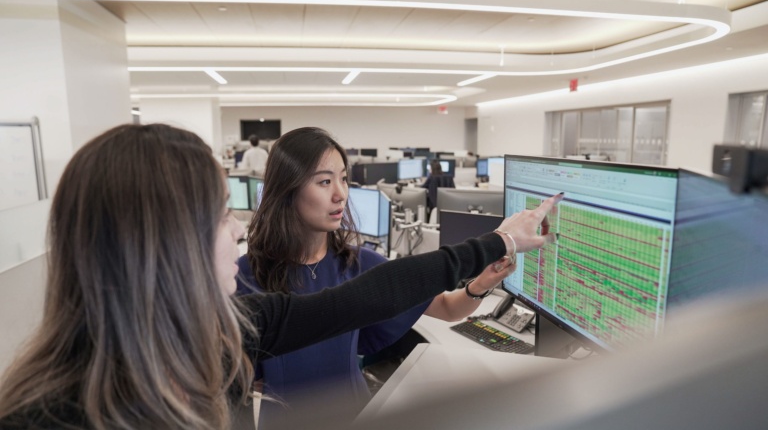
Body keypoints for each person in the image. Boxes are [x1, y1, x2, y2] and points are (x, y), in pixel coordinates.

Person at [0, 123, 562, 429]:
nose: (238, 230)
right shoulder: (52, 416)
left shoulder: (223, 332)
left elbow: (361, 300)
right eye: (221, 216)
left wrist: (499, 245)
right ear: (164, 249)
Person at [238, 127, 510, 424]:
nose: (340, 194)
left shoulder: (359, 263)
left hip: (354, 414)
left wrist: (481, 285)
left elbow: (447, 308)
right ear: (287, 190)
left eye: (343, 179)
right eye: (325, 181)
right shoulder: (245, 274)